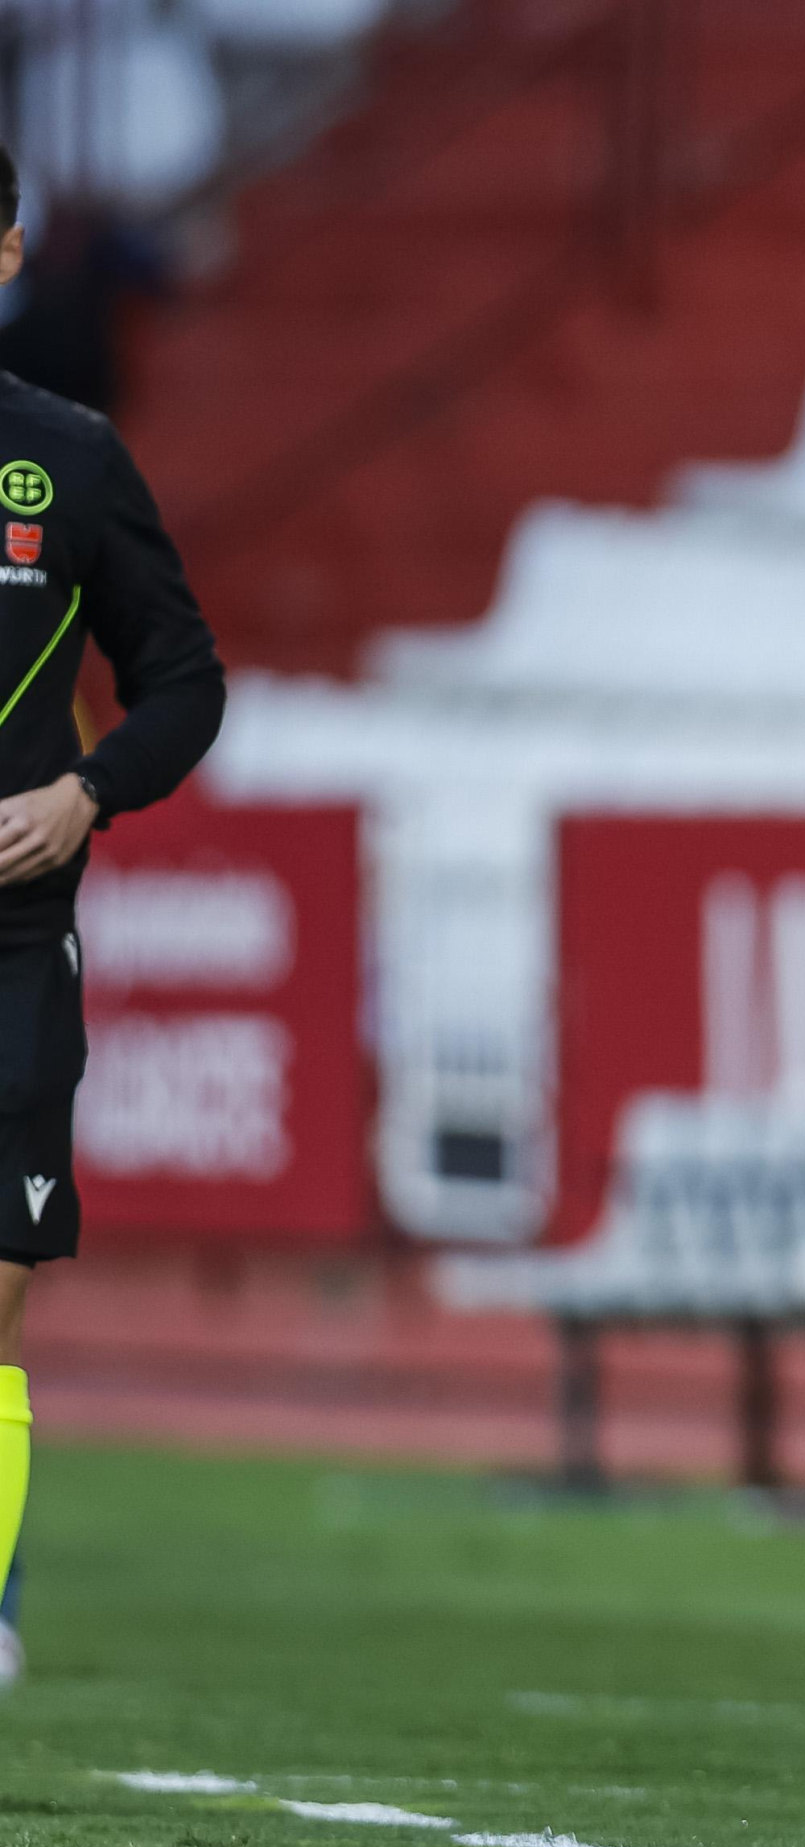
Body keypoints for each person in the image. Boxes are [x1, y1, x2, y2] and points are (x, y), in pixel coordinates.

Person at [0, 142, 228, 1691]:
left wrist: (85, 792)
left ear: (9, 257)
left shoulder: (68, 460)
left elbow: (185, 680)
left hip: (12, 942)